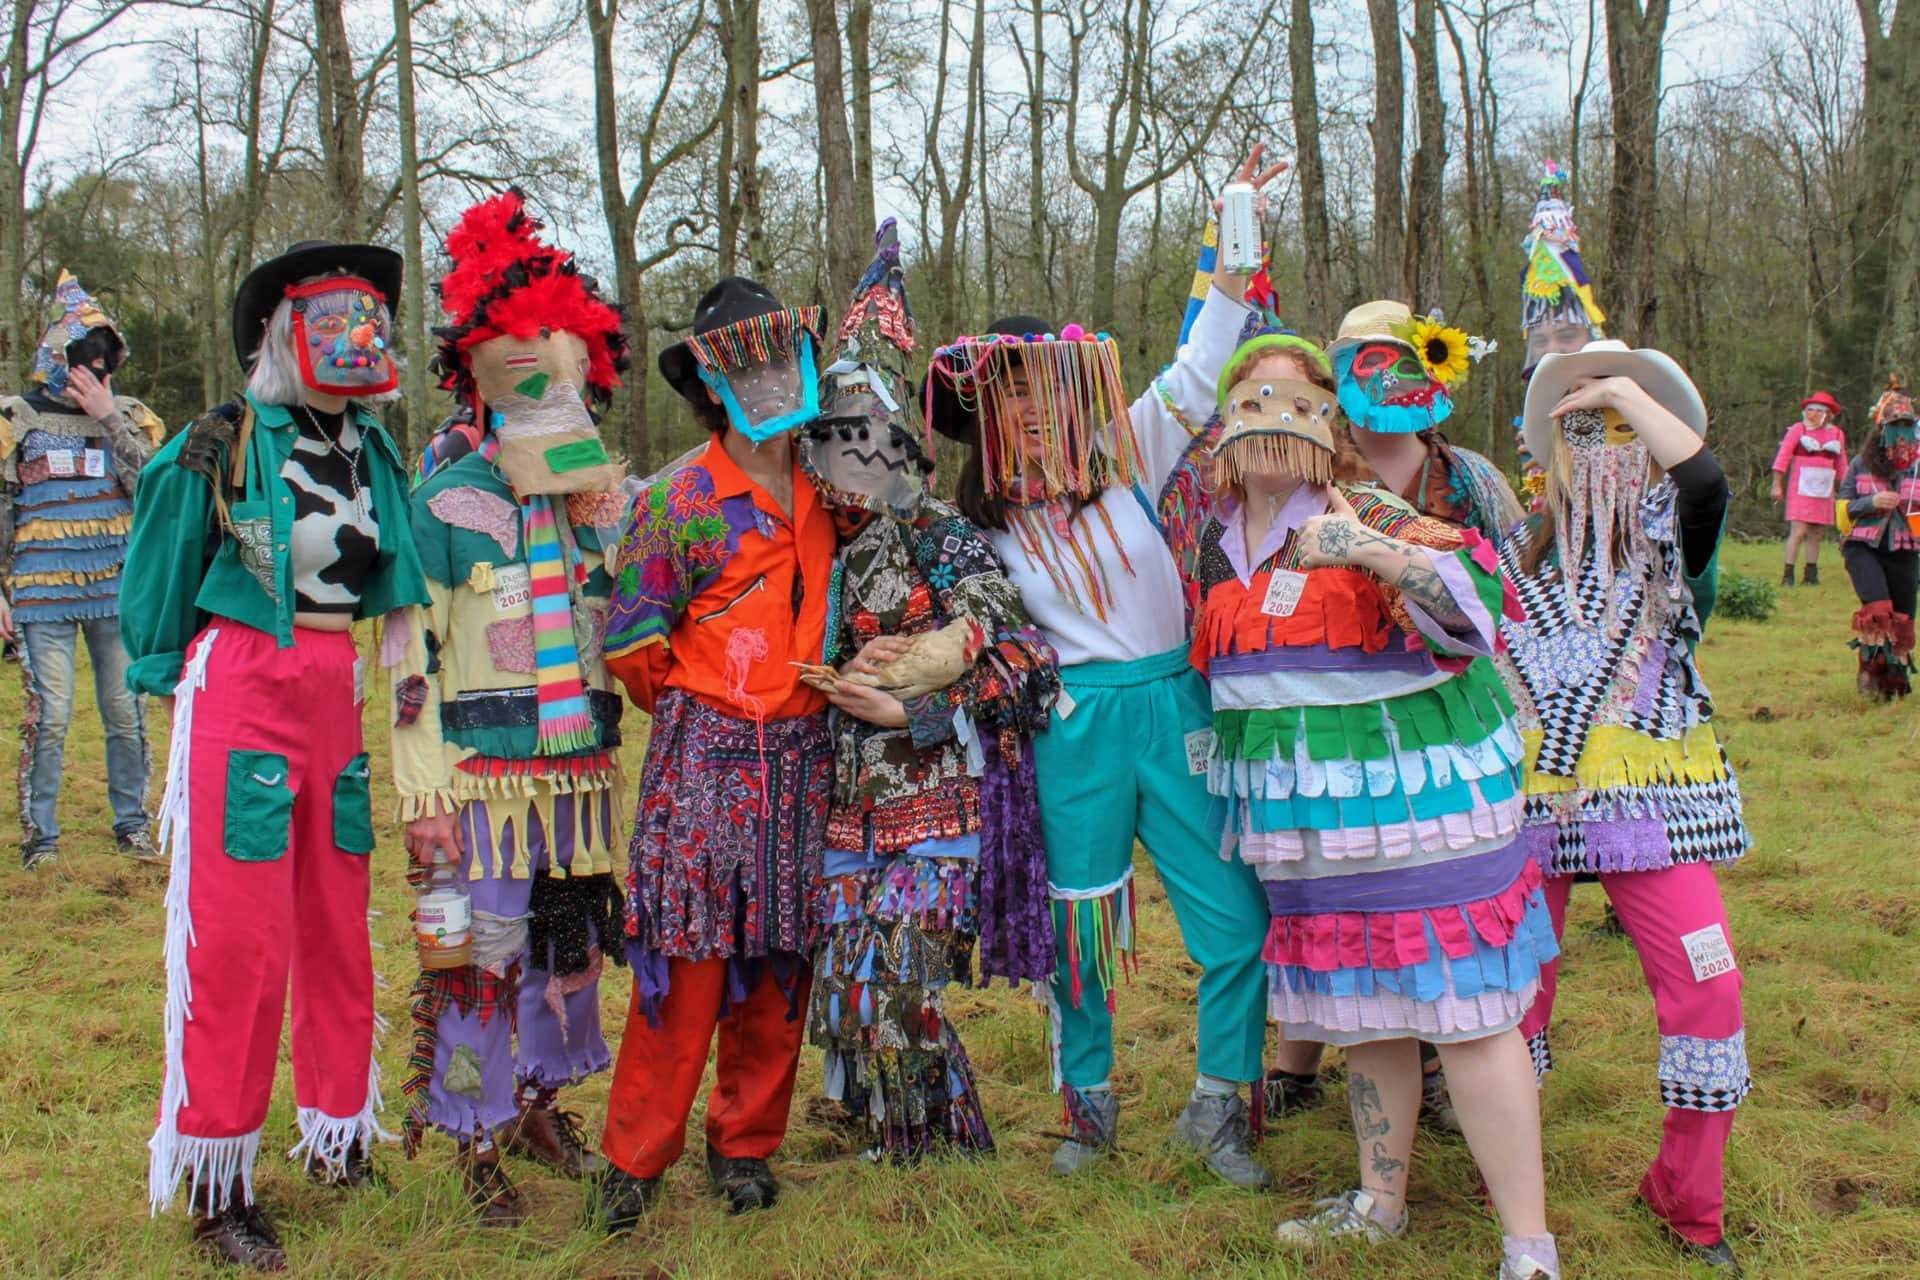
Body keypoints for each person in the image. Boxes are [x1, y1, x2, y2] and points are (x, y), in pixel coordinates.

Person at [924, 147, 1284, 1189]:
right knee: (1081, 924)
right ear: (985, 418)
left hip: (1176, 707)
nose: (1031, 409)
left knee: (1234, 916)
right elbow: (957, 636)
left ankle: (1223, 1103)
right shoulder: (973, 531)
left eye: (1044, 386)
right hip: (1069, 730)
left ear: (1076, 391)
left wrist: (1237, 222)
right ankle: (1087, 1108)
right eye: (1008, 395)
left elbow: (1204, 357)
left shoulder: (1131, 448)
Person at [1191, 335, 1558, 1279]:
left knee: (1468, 1015)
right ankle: (1379, 1201)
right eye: (1249, 400)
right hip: (1308, 837)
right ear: (1222, 429)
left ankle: (1529, 1246)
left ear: (1328, 426)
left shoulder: (1369, 508)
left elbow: (1483, 605)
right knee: (1364, 1016)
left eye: (1294, 400)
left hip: (1421, 816)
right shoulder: (1213, 541)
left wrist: (1367, 549)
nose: (1269, 416)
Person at [123, 241, 429, 1271]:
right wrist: (165, 669)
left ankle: (339, 1130)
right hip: (246, 680)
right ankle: (219, 1177)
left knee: (340, 920)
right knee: (242, 937)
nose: (359, 334)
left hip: (332, 686)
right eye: (336, 319)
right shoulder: (228, 436)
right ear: (283, 337)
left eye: (371, 319)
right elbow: (165, 550)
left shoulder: (375, 448)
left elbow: (404, 560)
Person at [388, 191, 631, 1221]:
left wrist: (606, 519)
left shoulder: (594, 510)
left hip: (572, 786)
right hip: (477, 786)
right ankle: (476, 1137)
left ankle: (537, 1101)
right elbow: (407, 655)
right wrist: (423, 789)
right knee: (479, 962)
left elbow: (617, 633)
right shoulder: (446, 505)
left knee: (560, 954)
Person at [795, 220, 1061, 1161]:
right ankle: (895, 1137)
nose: (855, 453)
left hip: (931, 802)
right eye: (838, 434)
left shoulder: (937, 531)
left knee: (903, 982)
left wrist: (913, 695)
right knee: (850, 988)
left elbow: (1018, 653)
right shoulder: (808, 543)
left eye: (872, 433)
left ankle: (946, 1147)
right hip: (837, 810)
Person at [1497, 341, 1751, 1273]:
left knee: (1708, 986)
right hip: (1533, 808)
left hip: (1658, 809)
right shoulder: (1515, 548)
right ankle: (1507, 1180)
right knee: (1515, 999)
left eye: (1619, 421)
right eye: (1579, 423)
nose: (1600, 432)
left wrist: (1619, 390)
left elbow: (1707, 481)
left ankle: (1688, 1200)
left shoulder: (1676, 542)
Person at [591, 277, 835, 1226]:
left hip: (806, 754)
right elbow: (631, 643)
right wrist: (712, 710)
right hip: (705, 758)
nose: (772, 379)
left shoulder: (832, 489)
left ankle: (745, 1144)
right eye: (750, 365)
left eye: (785, 358)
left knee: (781, 962)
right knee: (685, 966)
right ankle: (634, 1158)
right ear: (713, 384)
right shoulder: (683, 498)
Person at [1262, 300, 1518, 1131]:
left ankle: (1444, 1064)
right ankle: (1299, 1060)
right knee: (1322, 888)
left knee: (1438, 896)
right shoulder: (1311, 472)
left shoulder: (1470, 477)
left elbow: (1508, 580)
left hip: (1449, 714)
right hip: (1336, 715)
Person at [1, 270, 165, 868]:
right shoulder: (16, 420)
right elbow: (1, 504)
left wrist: (108, 418)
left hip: (115, 588)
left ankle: (132, 825)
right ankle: (40, 839)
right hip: (39, 591)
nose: (95, 369)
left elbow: (153, 489)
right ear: (55, 357)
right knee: (52, 716)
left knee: (124, 713)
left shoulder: (128, 415)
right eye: (83, 357)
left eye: (104, 358)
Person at [1836, 376, 1919, 698]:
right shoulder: (1860, 463)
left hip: (1906, 548)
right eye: (1894, 424)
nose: (1901, 431)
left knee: (1903, 617)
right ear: (1882, 428)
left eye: (1907, 424)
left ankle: (1896, 679)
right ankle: (1871, 672)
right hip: (1863, 546)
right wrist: (1871, 503)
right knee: (1878, 609)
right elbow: (1842, 507)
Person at [1772, 391, 1847, 586]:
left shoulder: (1837, 434)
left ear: (1828, 414)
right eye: (1810, 409)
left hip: (1824, 488)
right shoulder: (1798, 430)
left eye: (1818, 410)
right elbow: (1783, 457)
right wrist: (1777, 484)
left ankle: (1811, 574)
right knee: (1798, 530)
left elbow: (1842, 464)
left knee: (1816, 532)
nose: (1813, 413)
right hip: (1801, 487)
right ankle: (1788, 573)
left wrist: (1848, 488)